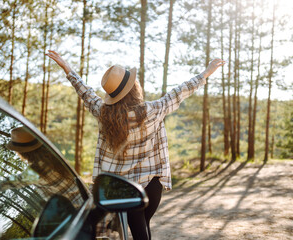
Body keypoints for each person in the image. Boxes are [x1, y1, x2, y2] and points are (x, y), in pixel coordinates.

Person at [46, 50, 224, 240]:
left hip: (123, 189)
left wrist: (67, 68)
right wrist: (205, 73)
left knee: (139, 227)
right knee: (142, 227)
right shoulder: (152, 111)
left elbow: (85, 93)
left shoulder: (103, 113)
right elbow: (179, 92)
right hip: (152, 186)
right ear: (133, 89)